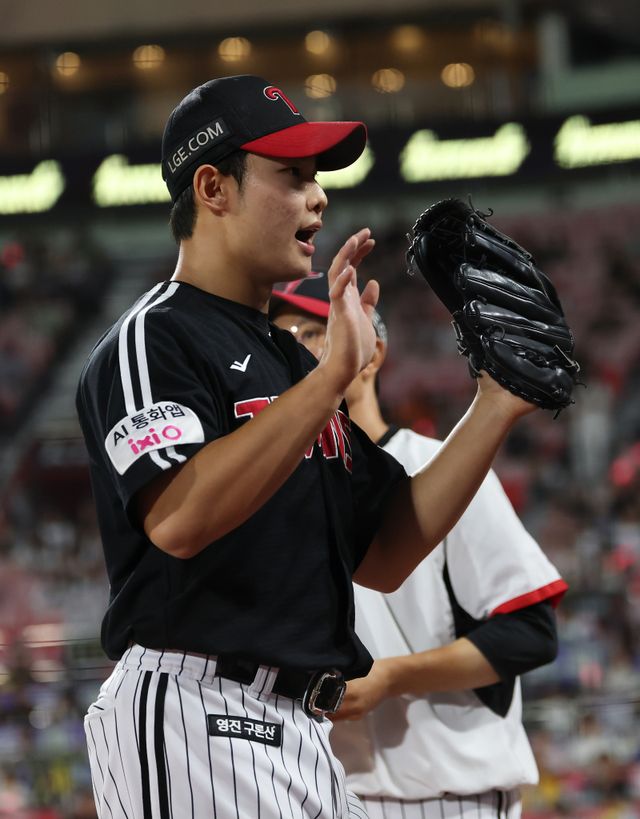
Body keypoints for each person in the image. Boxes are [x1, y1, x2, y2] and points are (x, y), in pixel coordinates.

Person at [76, 74, 539, 819]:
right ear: (213, 188)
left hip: (303, 729)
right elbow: (181, 517)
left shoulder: (289, 364)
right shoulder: (153, 338)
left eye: (315, 177)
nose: (318, 197)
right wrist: (330, 378)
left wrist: (495, 404)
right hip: (197, 711)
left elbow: (386, 551)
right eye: (292, 175)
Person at [270, 274, 568, 819]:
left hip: (447, 795)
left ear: (372, 352)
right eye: (279, 336)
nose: (294, 348)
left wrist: (392, 677)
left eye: (311, 332)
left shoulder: (440, 467)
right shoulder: (275, 488)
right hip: (323, 792)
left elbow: (529, 633)